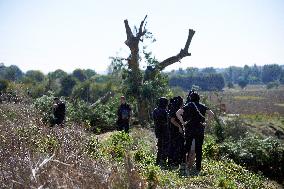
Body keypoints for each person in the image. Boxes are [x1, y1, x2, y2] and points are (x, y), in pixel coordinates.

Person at [176, 91, 214, 172]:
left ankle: (183, 164)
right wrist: (206, 123)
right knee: (199, 149)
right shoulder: (202, 106)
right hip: (200, 130)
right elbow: (211, 114)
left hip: (189, 130)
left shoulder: (188, 106)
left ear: (190, 98)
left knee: (186, 147)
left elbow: (178, 113)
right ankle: (198, 168)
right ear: (198, 98)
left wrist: (183, 122)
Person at [168, 96, 185, 168]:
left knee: (174, 145)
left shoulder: (173, 108)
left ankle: (173, 161)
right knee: (177, 145)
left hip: (173, 130)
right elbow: (172, 120)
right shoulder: (175, 109)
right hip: (175, 130)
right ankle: (174, 162)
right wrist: (179, 127)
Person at [153, 97, 169, 167]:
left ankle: (158, 161)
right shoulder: (165, 111)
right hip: (165, 130)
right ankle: (163, 160)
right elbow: (167, 121)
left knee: (160, 146)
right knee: (165, 146)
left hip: (157, 130)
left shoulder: (155, 110)